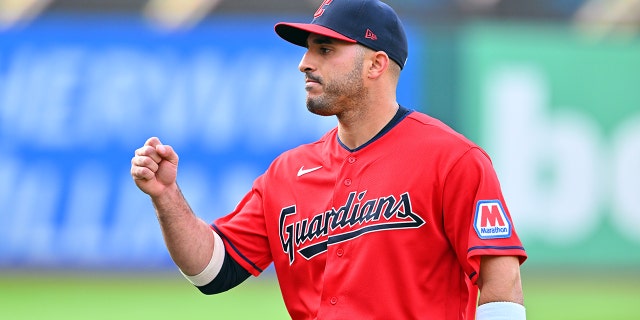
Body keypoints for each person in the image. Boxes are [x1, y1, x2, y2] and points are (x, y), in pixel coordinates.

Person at [130, 0, 527, 319]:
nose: (305, 62)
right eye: (308, 50)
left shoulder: (452, 159)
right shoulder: (286, 173)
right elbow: (213, 270)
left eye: (325, 49)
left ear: (376, 64)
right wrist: (166, 196)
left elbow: (501, 279)